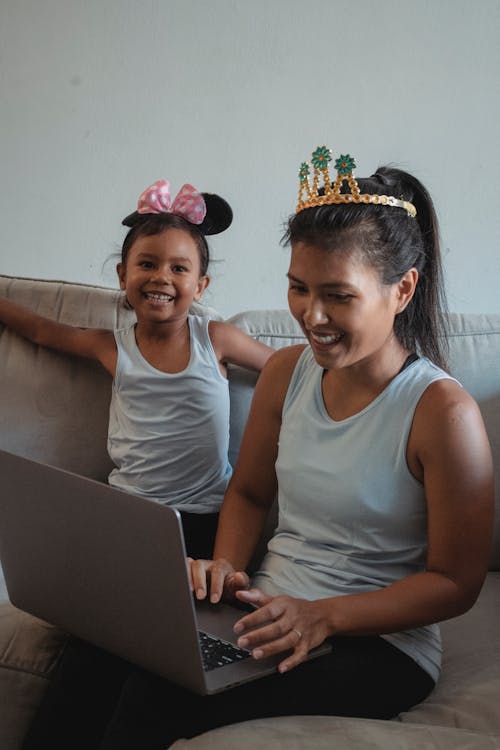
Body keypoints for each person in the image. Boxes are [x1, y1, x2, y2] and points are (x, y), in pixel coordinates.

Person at [23, 149, 494, 750]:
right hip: (268, 607)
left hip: (378, 644)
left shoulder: (443, 413)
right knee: (100, 647)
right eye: (298, 288)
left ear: (402, 289)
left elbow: (456, 582)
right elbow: (246, 493)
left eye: (338, 296)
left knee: (153, 696)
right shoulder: (288, 373)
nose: (311, 315)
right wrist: (226, 566)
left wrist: (325, 614)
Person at [0, 179, 272, 557]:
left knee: (204, 600)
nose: (162, 276)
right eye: (147, 264)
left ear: (200, 286)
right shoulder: (111, 345)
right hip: (130, 510)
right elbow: (43, 332)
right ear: (123, 275)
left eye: (179, 268)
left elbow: (283, 369)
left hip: (206, 514)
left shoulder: (216, 339)